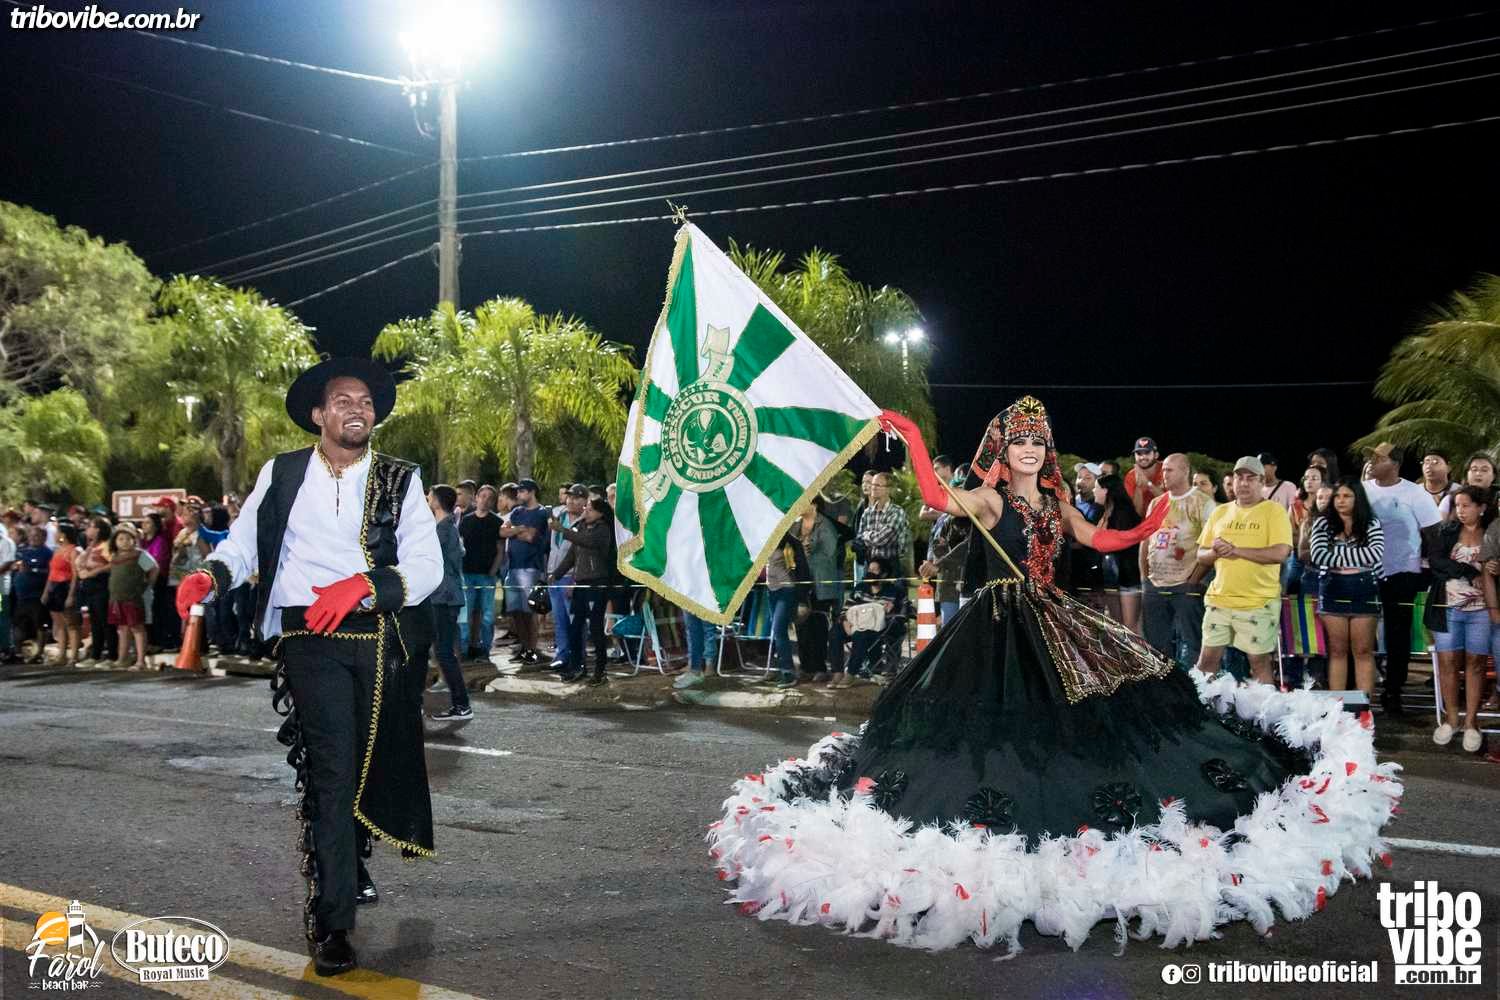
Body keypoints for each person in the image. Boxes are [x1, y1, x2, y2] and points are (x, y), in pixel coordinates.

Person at [711, 398, 1395, 953]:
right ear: (1001, 450)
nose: (1030, 450)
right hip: (993, 630)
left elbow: (1099, 540)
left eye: (1038, 441)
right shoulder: (987, 502)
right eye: (1019, 442)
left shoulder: (1056, 505)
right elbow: (935, 495)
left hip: (1055, 619)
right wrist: (913, 437)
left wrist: (1146, 527)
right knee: (994, 733)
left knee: (1106, 707)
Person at [174, 357, 442, 976]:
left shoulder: (400, 477)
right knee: (331, 774)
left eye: (366, 402)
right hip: (309, 637)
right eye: (344, 400)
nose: (358, 409)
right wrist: (210, 576)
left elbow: (426, 565)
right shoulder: (284, 471)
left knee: (370, 767)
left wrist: (364, 586)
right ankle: (333, 919)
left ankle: (351, 859)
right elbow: (244, 543)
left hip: (378, 635)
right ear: (320, 414)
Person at [1194, 456, 1293, 686]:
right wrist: (1216, 552)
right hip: (1219, 598)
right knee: (1206, 661)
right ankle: (1200, 705)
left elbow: (1280, 553)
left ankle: (1266, 707)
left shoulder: (1274, 511)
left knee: (1258, 662)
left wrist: (1236, 550)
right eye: (1239, 478)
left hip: (1258, 601)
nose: (1244, 483)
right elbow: (1200, 555)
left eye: (1251, 478)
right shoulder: (1220, 512)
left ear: (1262, 482)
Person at [1362, 442, 1440, 715]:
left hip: (1402, 573)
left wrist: (1427, 569)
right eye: (1371, 458)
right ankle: (1360, 690)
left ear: (1395, 464)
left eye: (1378, 458)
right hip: (1365, 572)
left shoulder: (1415, 493)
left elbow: (1433, 533)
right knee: (1363, 633)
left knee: (1397, 635)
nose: (1372, 463)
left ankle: (1393, 690)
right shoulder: (1363, 489)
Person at [1424, 486, 1492, 753]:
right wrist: (1466, 570)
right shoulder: (1447, 531)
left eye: (1466, 505)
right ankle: (1451, 719)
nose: (1461, 511)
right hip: (1448, 608)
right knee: (1448, 663)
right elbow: (1436, 562)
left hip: (1483, 610)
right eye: (1457, 505)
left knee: (1475, 664)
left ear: (1481, 508)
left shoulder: (1492, 533)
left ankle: (1471, 722)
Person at [1309, 478, 1384, 696]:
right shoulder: (1322, 523)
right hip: (1332, 587)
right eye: (1337, 496)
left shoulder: (1371, 522)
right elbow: (1318, 555)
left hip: (1364, 588)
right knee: (1337, 650)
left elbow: (1375, 553)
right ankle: (1337, 706)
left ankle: (1364, 707)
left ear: (1357, 498)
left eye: (1347, 496)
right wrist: (1357, 556)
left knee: (1363, 650)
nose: (1341, 501)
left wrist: (1336, 554)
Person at [1140, 454, 1213, 668]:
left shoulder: (1203, 503)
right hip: (1155, 584)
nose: (1164, 474)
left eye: (1169, 470)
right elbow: (1145, 541)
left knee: (1192, 643)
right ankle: (1164, 684)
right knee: (1156, 645)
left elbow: (1210, 546)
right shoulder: (1156, 503)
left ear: (1185, 471)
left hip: (1186, 584)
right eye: (1163, 470)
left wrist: (1193, 580)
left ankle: (1193, 684)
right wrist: (1144, 578)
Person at [549, 497, 615, 685]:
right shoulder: (581, 527)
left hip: (596, 584)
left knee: (595, 628)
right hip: (580, 584)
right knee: (575, 627)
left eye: (590, 509)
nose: (586, 511)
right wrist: (557, 574)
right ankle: (577, 666)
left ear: (600, 513)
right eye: (586, 508)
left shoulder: (603, 530)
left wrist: (562, 530)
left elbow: (587, 542)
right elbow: (572, 555)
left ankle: (600, 671)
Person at [425, 485, 471, 722]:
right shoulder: (445, 527)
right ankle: (459, 704)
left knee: (444, 652)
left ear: (437, 501)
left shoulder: (444, 530)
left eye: (430, 496)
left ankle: (461, 705)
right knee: (439, 651)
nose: (427, 499)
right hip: (442, 596)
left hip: (444, 597)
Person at [830, 556, 901, 688]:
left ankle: (851, 674)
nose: (870, 572)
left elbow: (904, 614)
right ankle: (837, 672)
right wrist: (845, 622)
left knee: (860, 635)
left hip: (878, 629)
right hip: (854, 625)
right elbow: (845, 609)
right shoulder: (860, 588)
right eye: (869, 569)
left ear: (884, 574)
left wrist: (891, 611)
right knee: (835, 631)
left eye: (874, 570)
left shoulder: (894, 591)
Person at [500, 478, 549, 668]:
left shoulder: (540, 512)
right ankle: (524, 647)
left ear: (531, 492)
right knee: (515, 611)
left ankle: (532, 650)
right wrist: (519, 529)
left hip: (530, 567)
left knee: (530, 611)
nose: (518, 495)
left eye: (522, 491)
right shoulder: (516, 512)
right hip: (513, 566)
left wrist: (514, 530)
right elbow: (502, 532)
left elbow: (530, 537)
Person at [456, 483, 503, 661]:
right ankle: (464, 649)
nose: (485, 500)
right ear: (476, 498)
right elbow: (459, 546)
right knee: (465, 614)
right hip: (467, 573)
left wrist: (493, 570)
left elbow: (500, 550)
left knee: (487, 616)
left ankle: (485, 650)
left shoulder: (496, 522)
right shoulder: (466, 520)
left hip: (486, 575)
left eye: (490, 498)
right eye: (482, 496)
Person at [1092, 473, 1143, 632]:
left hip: (1127, 577)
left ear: (1106, 490)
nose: (1094, 491)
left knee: (1130, 627)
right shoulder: (1103, 512)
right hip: (1111, 578)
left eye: (1096, 488)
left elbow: (1120, 544)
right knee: (1116, 626)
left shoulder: (1124, 513)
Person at [544, 485, 587, 672]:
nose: (571, 501)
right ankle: (562, 655)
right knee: (559, 619)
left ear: (585, 501)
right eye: (569, 497)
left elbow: (581, 554)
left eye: (576, 498)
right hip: (555, 574)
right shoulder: (558, 515)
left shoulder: (585, 521)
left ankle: (578, 656)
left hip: (572, 577)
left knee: (575, 620)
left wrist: (575, 581)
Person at [107, 523, 152, 669]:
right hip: (117, 597)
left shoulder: (139, 555)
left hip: (133, 597)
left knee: (137, 628)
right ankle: (122, 659)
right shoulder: (115, 557)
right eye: (121, 539)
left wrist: (147, 585)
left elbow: (153, 569)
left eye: (128, 538)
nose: (125, 542)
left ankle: (140, 661)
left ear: (134, 540)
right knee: (122, 628)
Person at [74, 516, 116, 665]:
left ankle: (112, 655)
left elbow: (113, 563)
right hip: (90, 588)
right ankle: (95, 655)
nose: (87, 530)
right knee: (95, 623)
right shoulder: (92, 546)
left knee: (106, 622)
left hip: (101, 586)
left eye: (90, 526)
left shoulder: (105, 546)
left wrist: (95, 571)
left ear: (98, 530)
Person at [42, 522, 81, 666]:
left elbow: (75, 575)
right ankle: (62, 654)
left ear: (63, 534)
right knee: (59, 624)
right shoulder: (57, 551)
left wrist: (71, 595)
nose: (55, 534)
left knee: (71, 623)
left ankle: (74, 656)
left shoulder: (73, 551)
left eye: (57, 532)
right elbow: (51, 573)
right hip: (54, 587)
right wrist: (46, 591)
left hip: (65, 586)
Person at [13, 526, 51, 663]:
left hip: (37, 596)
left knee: (40, 624)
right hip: (21, 596)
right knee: (18, 623)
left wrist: (33, 570)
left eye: (36, 536)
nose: (33, 538)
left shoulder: (47, 553)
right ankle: (18, 653)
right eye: (31, 535)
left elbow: (51, 573)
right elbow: (17, 566)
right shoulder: (24, 551)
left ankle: (39, 653)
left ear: (44, 538)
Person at [1438, 452, 1496, 519]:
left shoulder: (1497, 498)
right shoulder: (1450, 499)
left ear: (1493, 476)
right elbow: (1438, 524)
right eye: (1474, 469)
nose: (1478, 473)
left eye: (1484, 470)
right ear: (1466, 475)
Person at [1123, 436, 1163, 517]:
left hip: (1166, 519)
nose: (1142, 457)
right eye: (1139, 454)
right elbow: (1136, 513)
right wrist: (1139, 487)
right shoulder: (1131, 476)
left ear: (1156, 455)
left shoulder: (1166, 469)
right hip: (1144, 521)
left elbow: (1172, 502)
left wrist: (1148, 485)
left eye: (1147, 453)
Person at [0, 518, 13, 663]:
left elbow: (8, 562)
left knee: (2, 618)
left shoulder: (6, 542)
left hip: (1, 588)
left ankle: (6, 648)